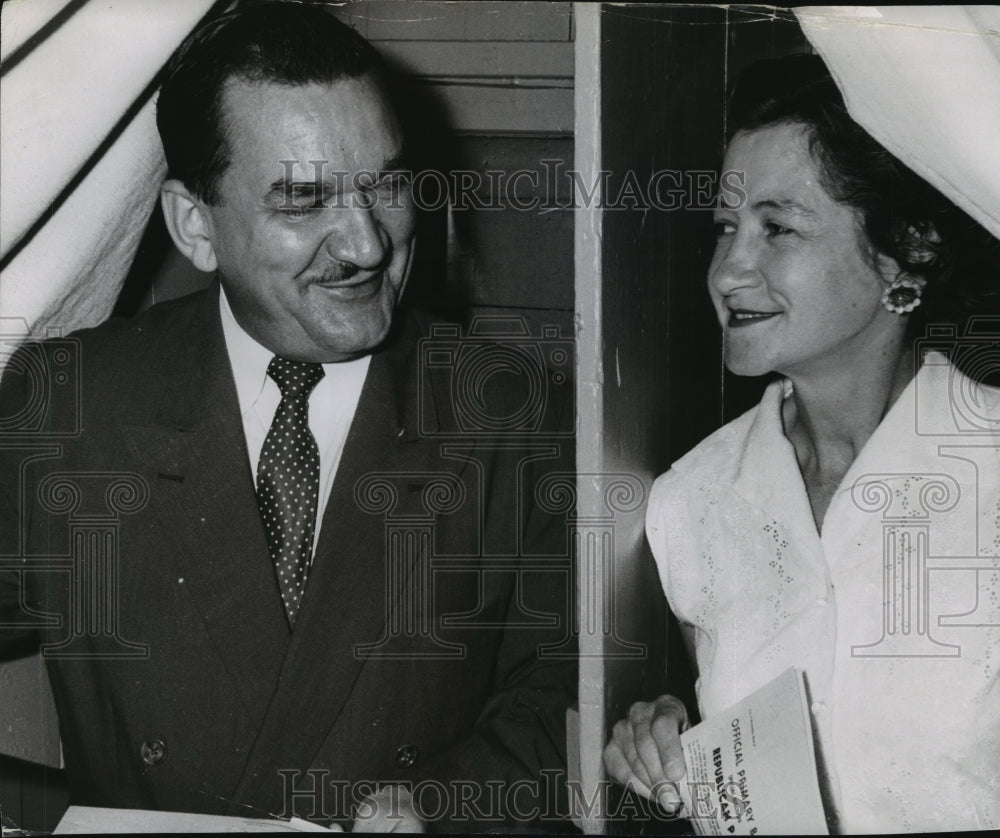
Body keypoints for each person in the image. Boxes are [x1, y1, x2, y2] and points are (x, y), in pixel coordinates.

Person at [0, 2, 576, 832]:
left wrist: (441, 801)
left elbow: (569, 696)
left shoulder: (507, 410)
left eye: (385, 183)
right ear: (196, 226)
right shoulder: (72, 404)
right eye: (304, 202)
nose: (368, 244)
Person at [604, 54, 1000, 832]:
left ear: (905, 253)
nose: (728, 271)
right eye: (725, 227)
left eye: (776, 227)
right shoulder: (691, 500)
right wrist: (665, 741)